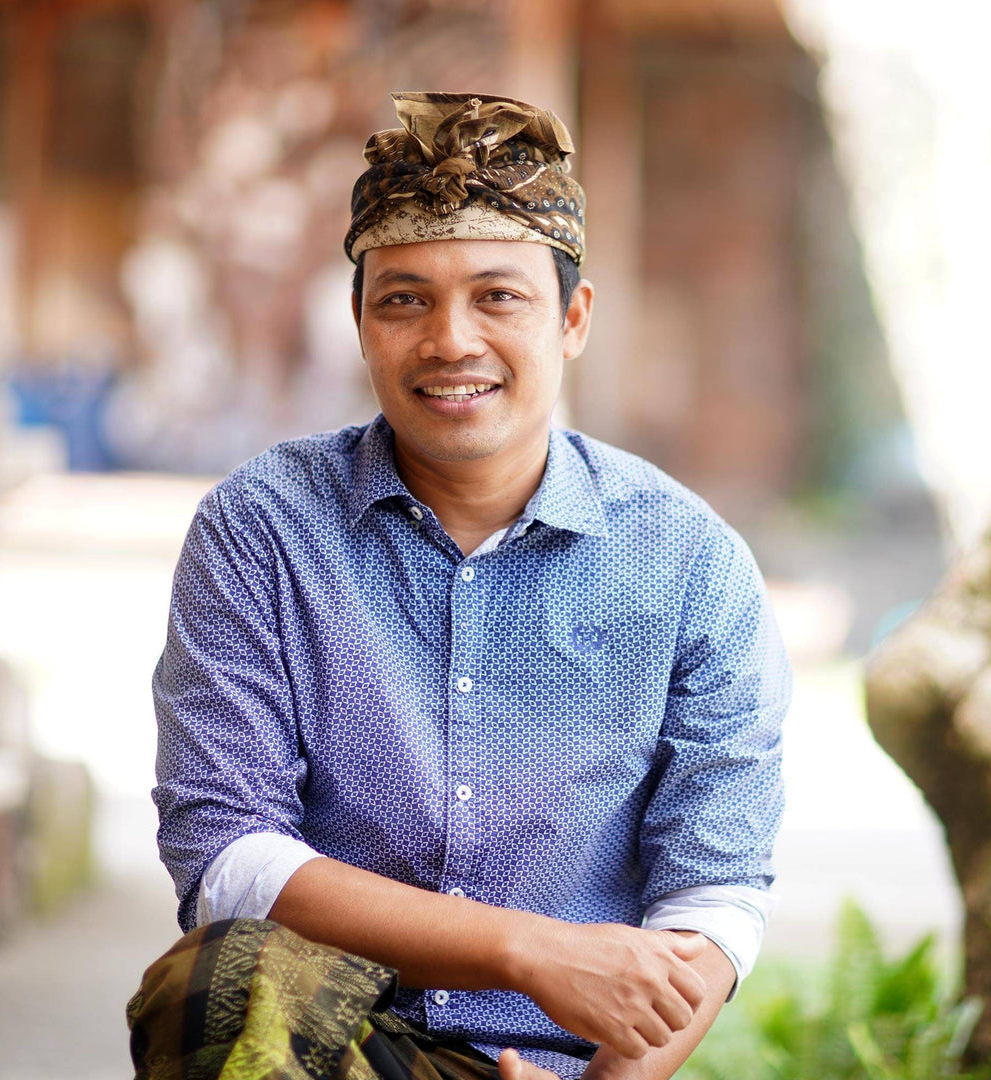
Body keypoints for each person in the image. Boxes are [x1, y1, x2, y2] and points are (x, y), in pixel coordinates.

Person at [136, 91, 790, 1080]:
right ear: (360, 321)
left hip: (562, 1069)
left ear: (573, 319)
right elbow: (227, 854)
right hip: (337, 1047)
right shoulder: (262, 529)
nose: (450, 340)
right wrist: (524, 949)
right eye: (405, 299)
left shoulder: (691, 562)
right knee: (214, 981)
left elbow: (714, 896)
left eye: (497, 297)